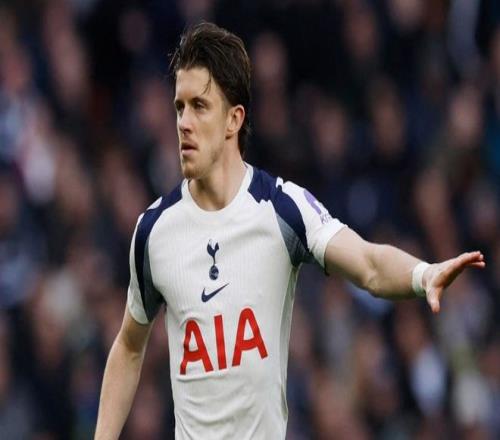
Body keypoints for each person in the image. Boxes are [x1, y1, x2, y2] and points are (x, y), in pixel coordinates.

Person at [94, 22, 485, 439]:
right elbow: (129, 346)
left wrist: (422, 274)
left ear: (233, 120)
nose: (183, 123)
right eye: (179, 108)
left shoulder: (281, 208)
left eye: (199, 106)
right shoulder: (154, 230)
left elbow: (369, 264)